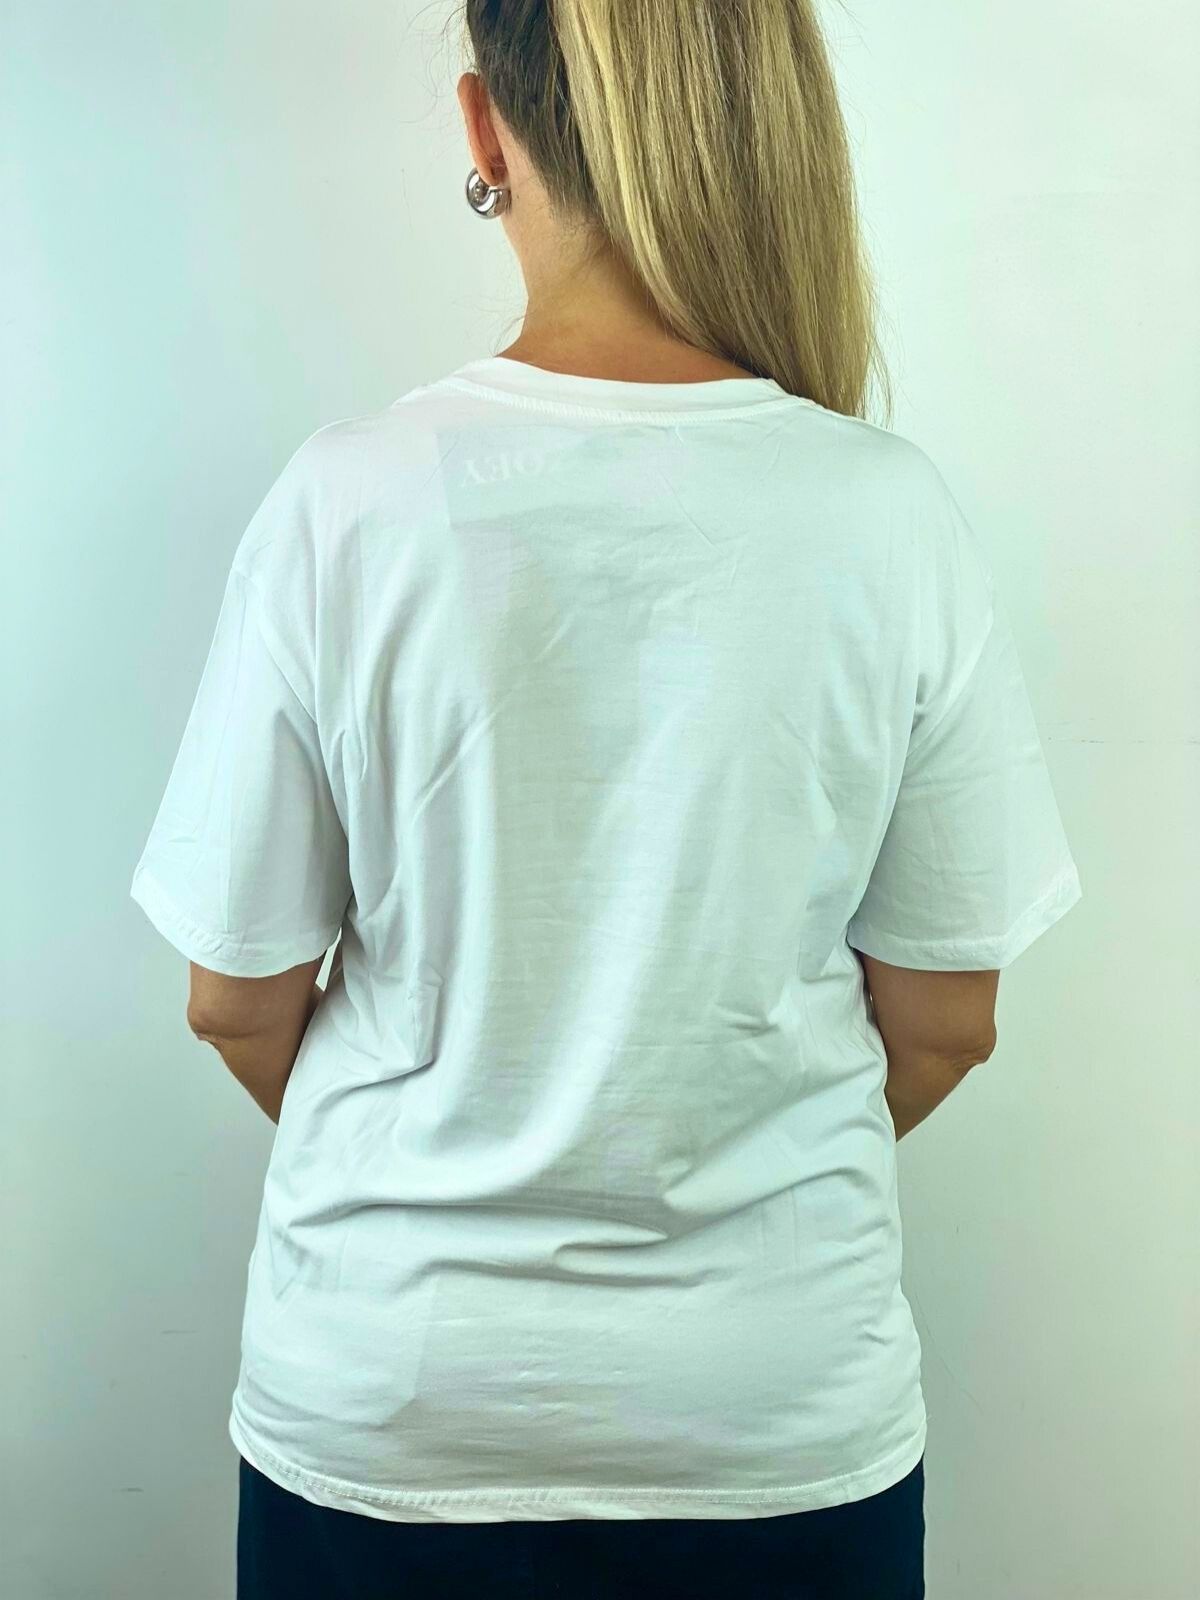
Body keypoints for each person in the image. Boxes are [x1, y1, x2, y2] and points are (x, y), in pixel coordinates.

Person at [128, 3, 1084, 1596]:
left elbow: (234, 998)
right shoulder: (888, 516)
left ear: (482, 128)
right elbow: (946, 1022)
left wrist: (459, 1141)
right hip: (775, 1423)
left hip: (393, 1408)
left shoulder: (346, 502)